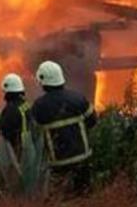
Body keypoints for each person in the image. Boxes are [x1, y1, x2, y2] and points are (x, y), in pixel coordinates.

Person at [31, 60, 96, 194]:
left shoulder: (39, 106)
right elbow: (92, 121)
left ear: (43, 81)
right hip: (82, 157)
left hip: (59, 163)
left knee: (62, 198)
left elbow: (34, 134)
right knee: (84, 195)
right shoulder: (78, 98)